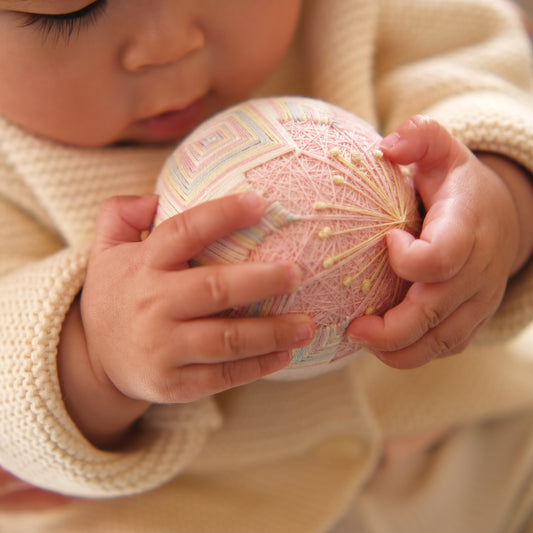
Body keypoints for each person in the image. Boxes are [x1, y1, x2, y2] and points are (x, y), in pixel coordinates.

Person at [1, 0, 533, 531]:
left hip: (466, 430)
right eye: (66, 13)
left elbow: (486, 73)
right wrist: (96, 359)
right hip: (199, 509)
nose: (169, 44)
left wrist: (502, 202)